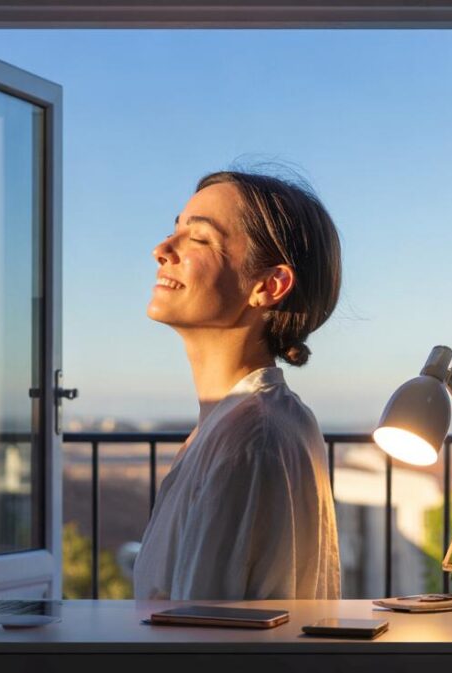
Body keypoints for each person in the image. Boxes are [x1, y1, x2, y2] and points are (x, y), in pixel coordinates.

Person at [132, 170, 342, 600]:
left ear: (269, 285)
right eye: (175, 231)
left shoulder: (251, 440)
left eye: (200, 239)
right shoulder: (240, 425)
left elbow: (202, 641)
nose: (161, 250)